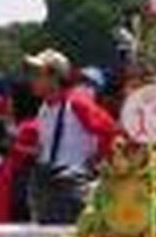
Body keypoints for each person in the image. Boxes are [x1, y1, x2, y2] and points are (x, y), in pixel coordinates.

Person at [26, 48, 117, 224]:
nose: (32, 79)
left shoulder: (77, 103)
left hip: (73, 185)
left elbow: (110, 132)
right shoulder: (43, 109)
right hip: (46, 185)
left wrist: (96, 161)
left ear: (54, 77)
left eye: (38, 74)